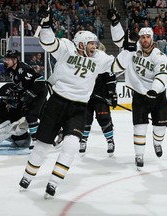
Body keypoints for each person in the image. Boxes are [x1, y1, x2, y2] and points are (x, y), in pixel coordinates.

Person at [18, 7, 116, 199]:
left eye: (95, 44)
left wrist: (128, 49)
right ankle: (28, 176)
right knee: (43, 147)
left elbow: (117, 65)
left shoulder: (99, 58)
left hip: (79, 108)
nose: (94, 47)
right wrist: (46, 26)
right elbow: (48, 42)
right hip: (56, 103)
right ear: (80, 44)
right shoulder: (66, 47)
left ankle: (54, 183)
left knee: (71, 145)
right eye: (90, 43)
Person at [107, 8, 167, 170]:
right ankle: (139, 155)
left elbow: (162, 74)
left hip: (158, 97)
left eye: (147, 37)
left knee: (160, 129)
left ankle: (157, 143)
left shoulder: (159, 55)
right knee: (139, 127)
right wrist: (115, 22)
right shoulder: (133, 48)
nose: (144, 40)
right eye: (142, 37)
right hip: (140, 96)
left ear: (152, 38)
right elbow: (120, 40)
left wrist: (154, 90)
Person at [4, 49, 48, 146]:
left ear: (15, 60)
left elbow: (41, 80)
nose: (6, 61)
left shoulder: (23, 68)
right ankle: (58, 132)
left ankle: (36, 142)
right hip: (30, 92)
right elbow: (20, 84)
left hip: (39, 91)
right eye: (6, 59)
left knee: (31, 116)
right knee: (42, 115)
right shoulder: (9, 69)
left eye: (8, 59)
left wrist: (31, 93)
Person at [79, 71, 118, 157]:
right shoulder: (85, 60)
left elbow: (111, 79)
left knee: (104, 119)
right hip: (86, 97)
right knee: (86, 119)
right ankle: (83, 140)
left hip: (101, 97)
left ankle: (110, 141)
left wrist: (113, 95)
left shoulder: (104, 60)